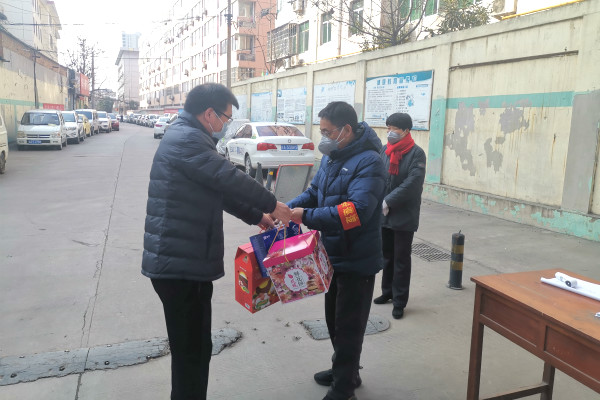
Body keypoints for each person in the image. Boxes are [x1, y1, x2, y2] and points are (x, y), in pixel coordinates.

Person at [141, 83, 292, 400]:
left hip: (184, 262)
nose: (226, 125)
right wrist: (272, 205)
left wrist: (257, 215)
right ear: (209, 114)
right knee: (192, 352)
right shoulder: (188, 140)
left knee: (194, 348)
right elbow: (228, 177)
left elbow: (217, 190)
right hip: (180, 267)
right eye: (226, 117)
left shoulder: (189, 136)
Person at [288, 101, 386, 400]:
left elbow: (355, 212)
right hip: (332, 254)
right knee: (334, 320)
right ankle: (345, 371)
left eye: (328, 132)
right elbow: (315, 192)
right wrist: (287, 209)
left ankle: (344, 388)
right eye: (321, 132)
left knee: (349, 326)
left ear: (347, 130)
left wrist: (305, 216)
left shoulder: (370, 161)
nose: (324, 138)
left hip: (357, 258)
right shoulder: (332, 157)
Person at [372, 113, 426, 320]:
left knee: (401, 259)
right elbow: (379, 176)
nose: (389, 132)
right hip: (384, 213)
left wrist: (388, 200)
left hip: (404, 214)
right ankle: (387, 292)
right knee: (387, 256)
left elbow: (412, 184)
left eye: (393, 128)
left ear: (406, 131)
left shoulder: (416, 154)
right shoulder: (385, 150)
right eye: (388, 128)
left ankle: (400, 300)